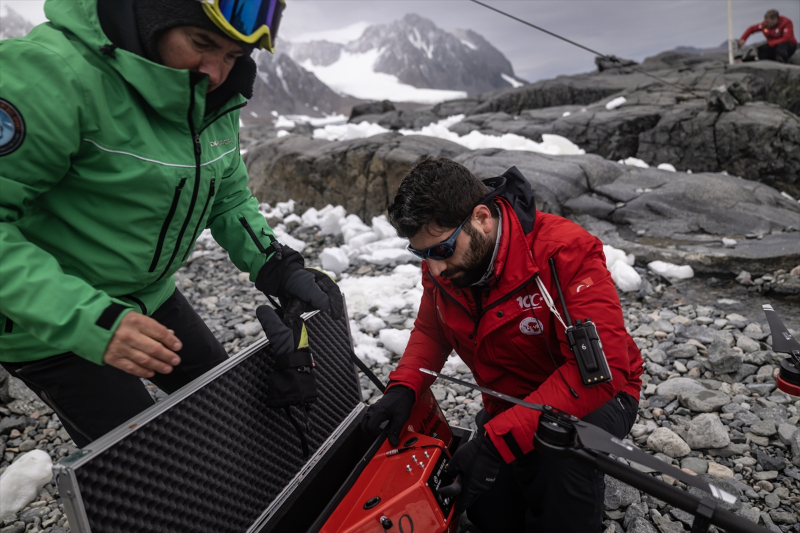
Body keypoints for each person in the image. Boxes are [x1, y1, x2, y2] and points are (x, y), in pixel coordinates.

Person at [0, 0, 331, 449]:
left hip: (150, 296)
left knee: (231, 412)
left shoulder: (211, 94)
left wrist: (277, 265)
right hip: (48, 322)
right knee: (139, 464)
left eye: (233, 56)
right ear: (149, 15)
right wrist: (92, 320)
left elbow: (227, 193)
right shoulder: (50, 76)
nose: (215, 72)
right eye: (201, 43)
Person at [361, 157, 644, 532]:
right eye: (422, 254)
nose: (435, 270)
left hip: (599, 398)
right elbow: (432, 333)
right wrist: (403, 389)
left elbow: (599, 372)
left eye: (442, 250)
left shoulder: (565, 252)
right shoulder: (446, 265)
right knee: (490, 513)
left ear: (481, 218)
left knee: (558, 458)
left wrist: (497, 441)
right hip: (509, 401)